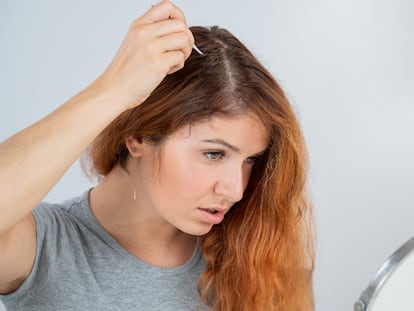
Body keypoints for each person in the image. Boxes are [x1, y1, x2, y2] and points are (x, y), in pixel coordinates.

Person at [0, 1, 314, 310]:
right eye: (214, 154)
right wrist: (115, 90)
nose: (235, 190)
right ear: (138, 136)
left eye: (251, 160)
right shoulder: (44, 250)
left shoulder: (259, 258)